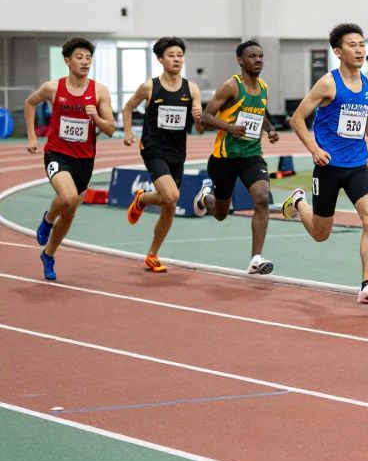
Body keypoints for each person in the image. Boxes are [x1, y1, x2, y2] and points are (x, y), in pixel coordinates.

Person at [280, 24, 368, 306]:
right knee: (321, 233)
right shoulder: (328, 83)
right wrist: (314, 149)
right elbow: (296, 119)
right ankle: (299, 203)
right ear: (338, 52)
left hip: (356, 166)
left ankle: (367, 285)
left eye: (362, 44)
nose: (359, 49)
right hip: (328, 166)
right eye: (352, 45)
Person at [24, 37, 116, 281]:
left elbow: (110, 129)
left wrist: (96, 117)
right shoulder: (53, 88)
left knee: (70, 213)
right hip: (57, 153)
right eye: (80, 57)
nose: (85, 62)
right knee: (66, 197)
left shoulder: (99, 91)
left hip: (84, 160)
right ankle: (47, 220)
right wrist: (32, 136)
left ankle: (49, 254)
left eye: (88, 58)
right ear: (67, 60)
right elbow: (30, 102)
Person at [192, 41, 278, 275]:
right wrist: (230, 128)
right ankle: (204, 198)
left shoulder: (264, 87)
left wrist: (269, 129)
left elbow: (260, 114)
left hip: (252, 155)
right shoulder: (231, 86)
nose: (258, 60)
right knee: (221, 213)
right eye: (252, 56)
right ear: (240, 60)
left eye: (260, 56)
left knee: (261, 199)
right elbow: (206, 118)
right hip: (225, 157)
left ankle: (256, 258)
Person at [122, 37, 204, 273]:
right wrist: (128, 133)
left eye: (180, 55)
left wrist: (198, 117)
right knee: (170, 195)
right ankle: (144, 199)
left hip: (178, 151)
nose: (176, 59)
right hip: (153, 148)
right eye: (171, 55)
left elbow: (198, 128)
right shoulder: (150, 86)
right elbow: (128, 107)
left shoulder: (192, 89)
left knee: (170, 204)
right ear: (160, 59)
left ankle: (152, 254)